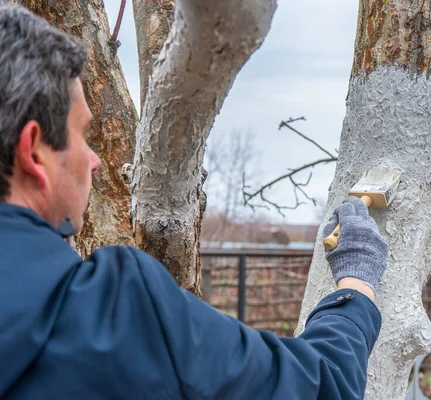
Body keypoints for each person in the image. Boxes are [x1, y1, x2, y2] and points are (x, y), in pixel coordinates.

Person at [0, 4, 389, 399]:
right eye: (83, 134)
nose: (94, 159)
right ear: (33, 152)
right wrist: (355, 286)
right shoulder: (112, 317)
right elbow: (319, 386)